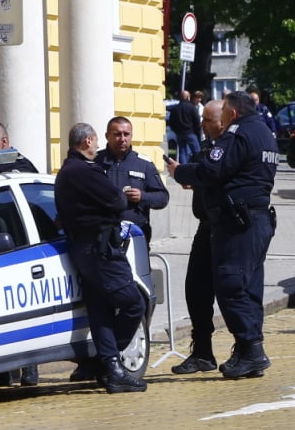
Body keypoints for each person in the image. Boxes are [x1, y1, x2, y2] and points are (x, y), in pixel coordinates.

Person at [165, 91, 278, 380]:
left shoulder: (238, 133)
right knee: (241, 286)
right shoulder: (264, 131)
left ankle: (252, 350)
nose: (208, 123)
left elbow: (214, 169)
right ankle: (243, 351)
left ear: (231, 114)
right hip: (242, 219)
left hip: (237, 222)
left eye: (220, 114)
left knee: (232, 286)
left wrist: (182, 173)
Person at [55, 122, 147, 394]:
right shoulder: (82, 171)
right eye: (95, 141)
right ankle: (106, 363)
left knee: (102, 311)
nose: (97, 146)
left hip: (89, 249)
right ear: (88, 141)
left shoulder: (69, 171)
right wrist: (117, 198)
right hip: (100, 250)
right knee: (133, 303)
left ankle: (111, 370)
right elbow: (118, 202)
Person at [0, 121, 39, 387]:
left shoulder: (19, 167)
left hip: (20, 250)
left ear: (4, 143)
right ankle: (1, 372)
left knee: (25, 312)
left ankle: (30, 368)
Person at [171, 99, 225, 374]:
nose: (202, 126)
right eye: (202, 120)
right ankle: (202, 351)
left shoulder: (231, 147)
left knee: (231, 293)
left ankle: (248, 350)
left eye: (207, 121)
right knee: (196, 290)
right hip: (205, 226)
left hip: (227, 229)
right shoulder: (207, 147)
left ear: (223, 120)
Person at [95, 116, 170, 244]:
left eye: (126, 134)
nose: (122, 139)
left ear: (131, 135)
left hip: (135, 235)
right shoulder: (95, 162)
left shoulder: (144, 164)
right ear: (107, 136)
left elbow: (163, 198)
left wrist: (142, 196)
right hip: (101, 234)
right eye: (117, 134)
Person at [168, 90, 202, 164]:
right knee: (197, 151)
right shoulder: (192, 107)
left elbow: (171, 122)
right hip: (190, 132)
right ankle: (199, 165)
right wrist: (197, 132)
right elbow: (197, 121)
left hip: (180, 133)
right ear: (187, 97)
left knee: (182, 152)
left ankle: (184, 168)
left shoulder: (175, 108)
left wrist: (176, 131)